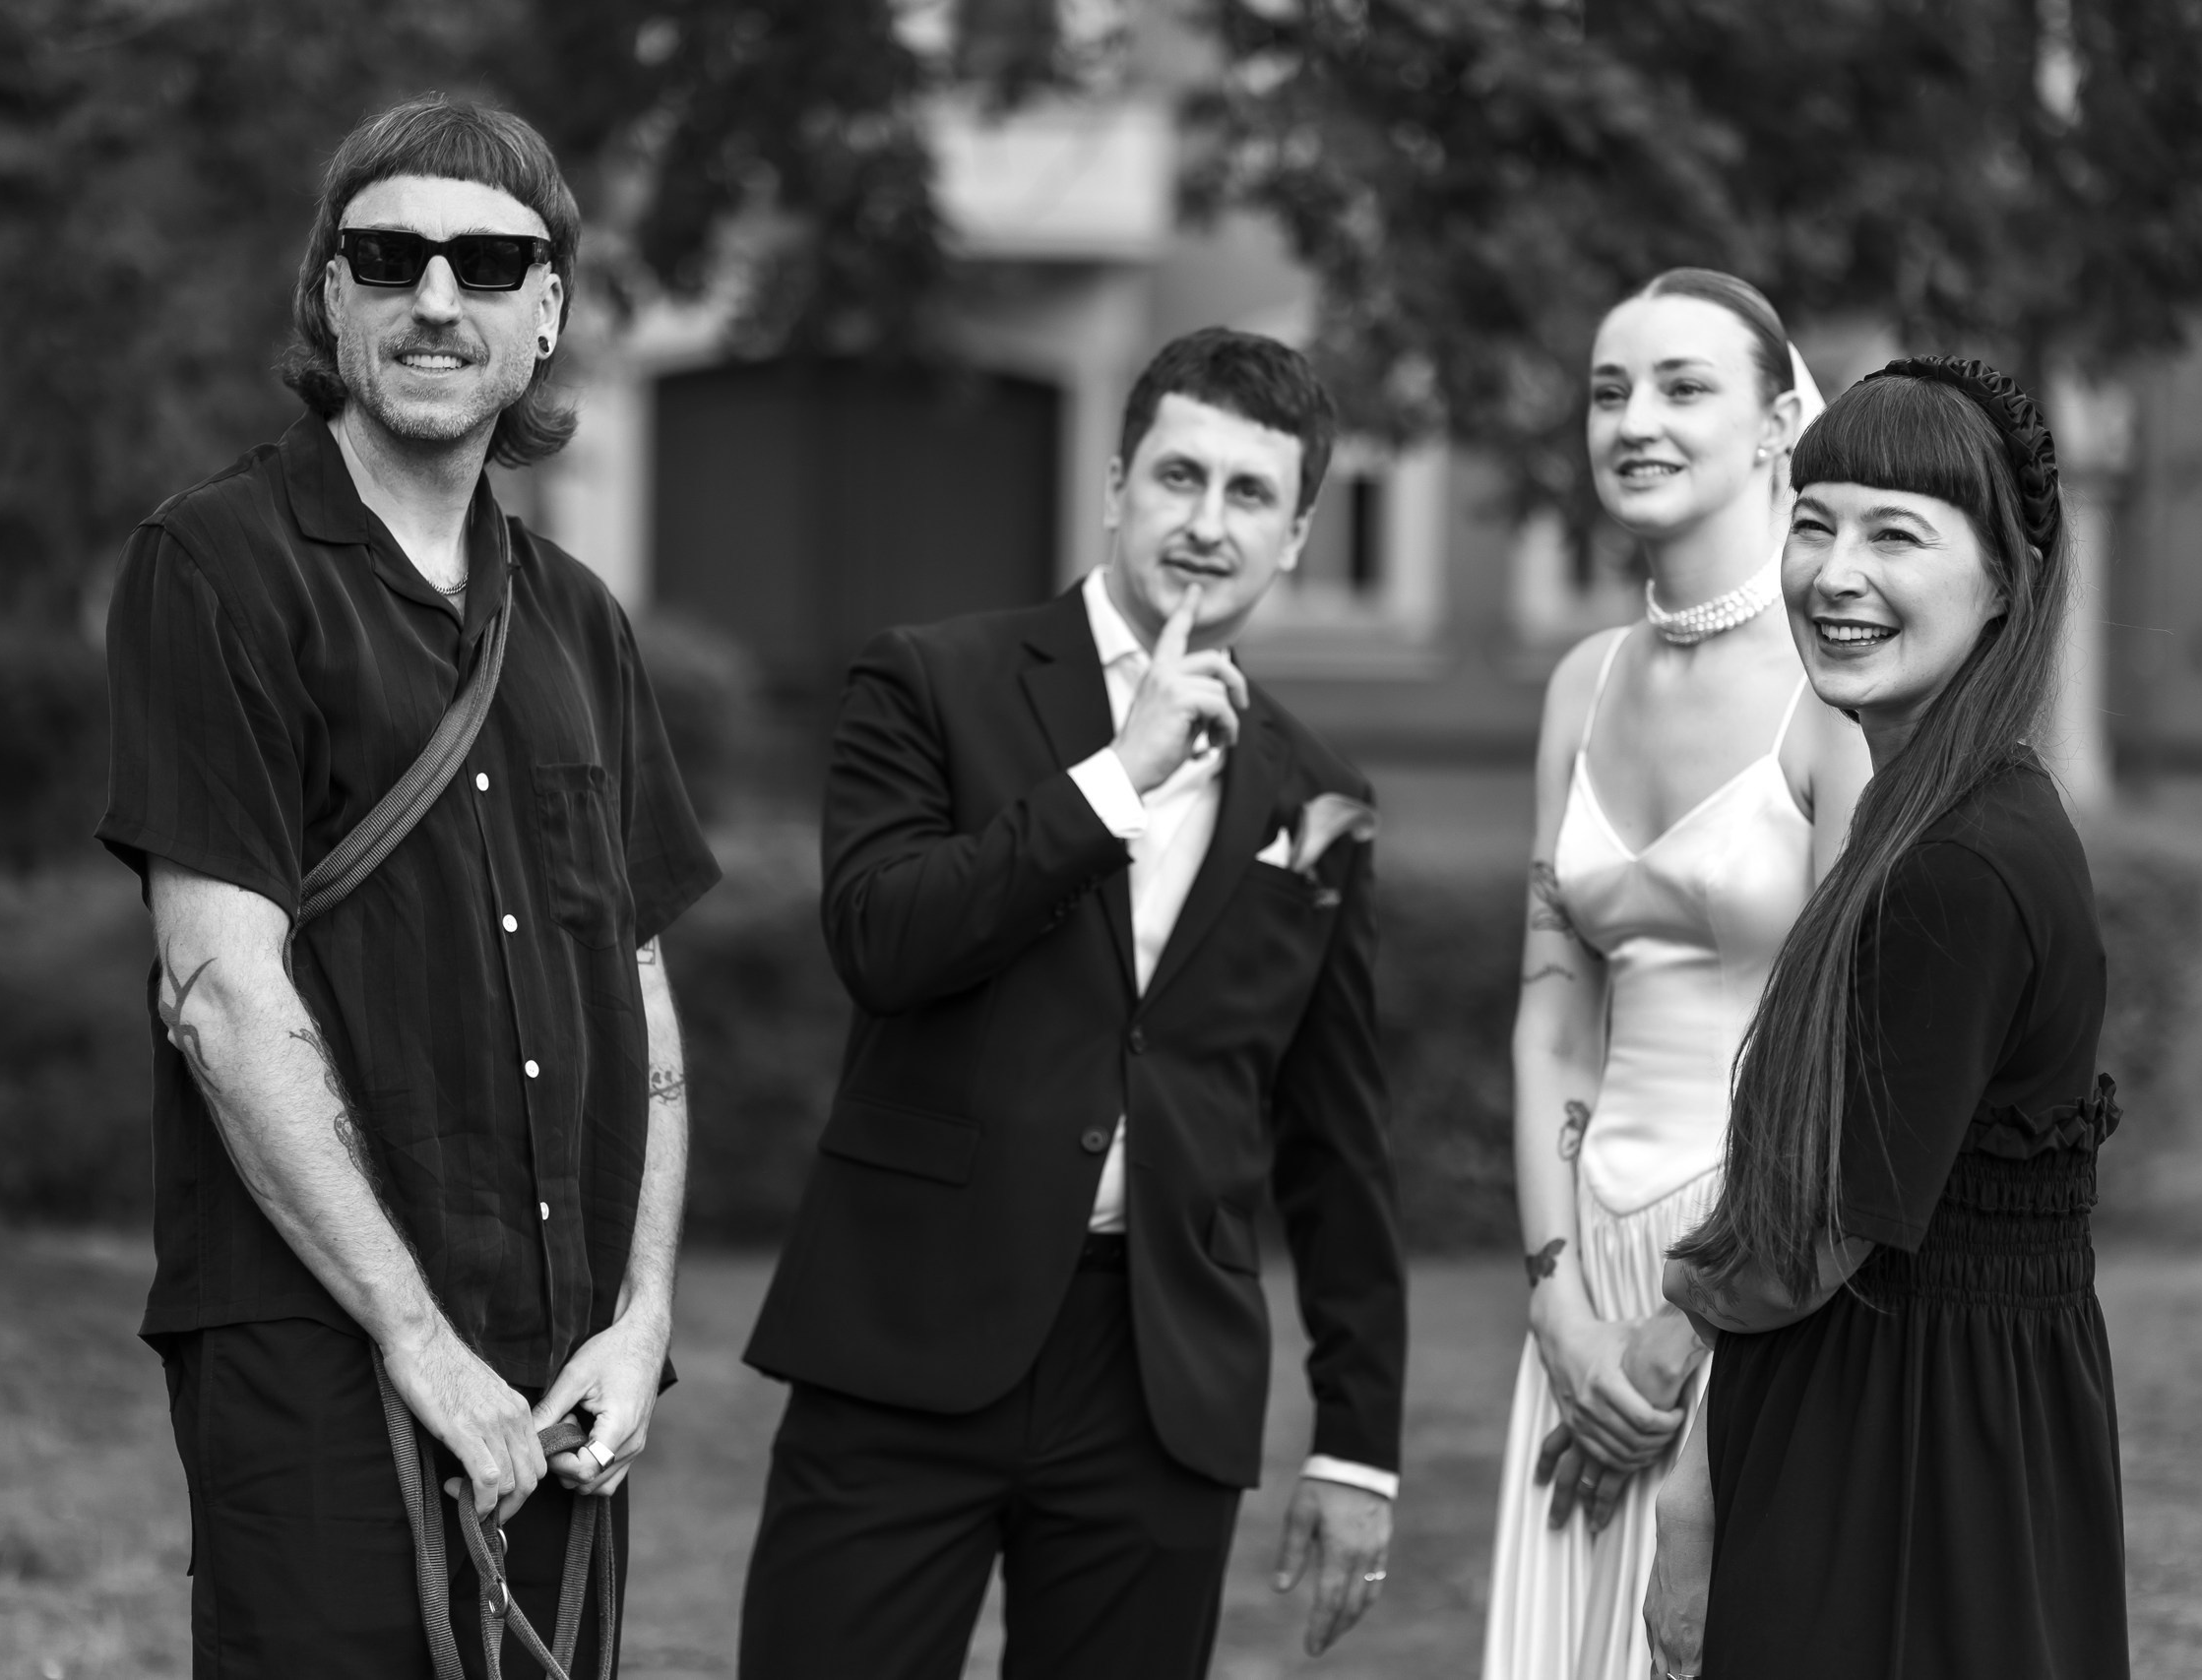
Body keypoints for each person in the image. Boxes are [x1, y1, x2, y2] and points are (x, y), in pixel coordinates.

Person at [96, 95, 718, 1676]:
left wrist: (641, 1320)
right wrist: (420, 1342)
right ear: (331, 293)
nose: (439, 299)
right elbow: (220, 994)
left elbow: (636, 991)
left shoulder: (580, 622)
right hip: (319, 1355)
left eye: (490, 267)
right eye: (392, 256)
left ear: (547, 317)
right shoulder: (217, 567)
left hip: (562, 1373)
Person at [734, 328, 1408, 1680]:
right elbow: (883, 940)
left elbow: (1338, 1147)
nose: (1207, 524)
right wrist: (1119, 777)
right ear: (1115, 484)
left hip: (1158, 1380)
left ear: (1295, 537)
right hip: (909, 1334)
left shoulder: (1320, 800)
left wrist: (1356, 1445)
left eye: (1249, 496)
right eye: (1179, 477)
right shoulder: (931, 680)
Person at [1647, 357, 2128, 1678]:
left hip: (1907, 1451)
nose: (1834, 573)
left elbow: (1826, 1227)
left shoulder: (1957, 861)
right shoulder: (1942, 812)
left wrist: (1669, 1343)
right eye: (1815, 522)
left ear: (2002, 582)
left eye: (1897, 534)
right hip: (1920, 1412)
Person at [1481, 270, 1872, 1680]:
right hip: (1584, 1273)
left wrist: (1681, 1334)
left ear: (1778, 425)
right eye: (1608, 390)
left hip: (1763, 1272)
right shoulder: (1579, 683)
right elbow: (1550, 1014)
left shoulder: (1841, 693)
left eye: (1681, 387)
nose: (1633, 420)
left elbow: (1849, 1058)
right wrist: (1558, 1306)